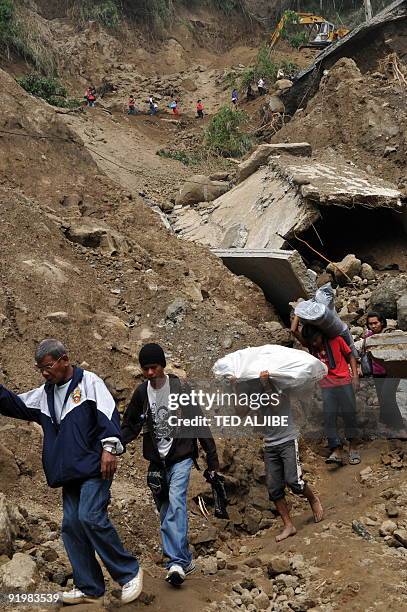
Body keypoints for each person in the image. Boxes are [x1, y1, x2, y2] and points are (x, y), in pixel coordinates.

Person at [0, 339, 142, 605]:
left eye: (48, 366)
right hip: (69, 473)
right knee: (71, 525)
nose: (44, 372)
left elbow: (109, 415)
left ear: (64, 359)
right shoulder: (45, 394)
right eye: (40, 368)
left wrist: (110, 448)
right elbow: (14, 404)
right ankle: (89, 587)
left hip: (94, 467)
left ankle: (129, 573)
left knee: (90, 517)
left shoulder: (89, 383)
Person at [121, 343, 219, 587]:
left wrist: (212, 459)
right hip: (156, 463)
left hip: (181, 457)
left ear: (162, 365)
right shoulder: (142, 393)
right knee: (164, 510)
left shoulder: (180, 388)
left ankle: (174, 562)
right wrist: (113, 445)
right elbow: (130, 424)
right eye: (145, 369)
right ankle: (184, 559)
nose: (150, 373)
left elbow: (199, 422)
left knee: (176, 504)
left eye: (153, 367)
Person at [232, 372, 323, 542]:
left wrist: (267, 385)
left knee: (294, 481)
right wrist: (236, 388)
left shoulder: (280, 382)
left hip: (287, 440)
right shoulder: (254, 389)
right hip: (270, 444)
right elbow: (241, 412)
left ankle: (313, 499)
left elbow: (277, 406)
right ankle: (288, 525)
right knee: (274, 488)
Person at [292, 322, 360, 466]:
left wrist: (355, 376)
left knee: (349, 414)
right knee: (329, 417)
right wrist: (298, 313)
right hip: (327, 386)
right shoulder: (312, 346)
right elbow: (293, 330)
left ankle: (353, 447)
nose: (315, 343)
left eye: (316, 340)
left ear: (321, 335)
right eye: (312, 342)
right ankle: (336, 450)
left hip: (344, 382)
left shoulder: (337, 340)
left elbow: (351, 356)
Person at [362, 312, 406, 437]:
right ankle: (386, 423)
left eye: (375, 323)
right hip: (377, 371)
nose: (373, 326)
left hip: (392, 371)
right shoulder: (369, 336)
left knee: (388, 396)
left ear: (381, 322)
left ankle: (400, 427)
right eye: (370, 324)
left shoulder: (390, 334)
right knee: (382, 398)